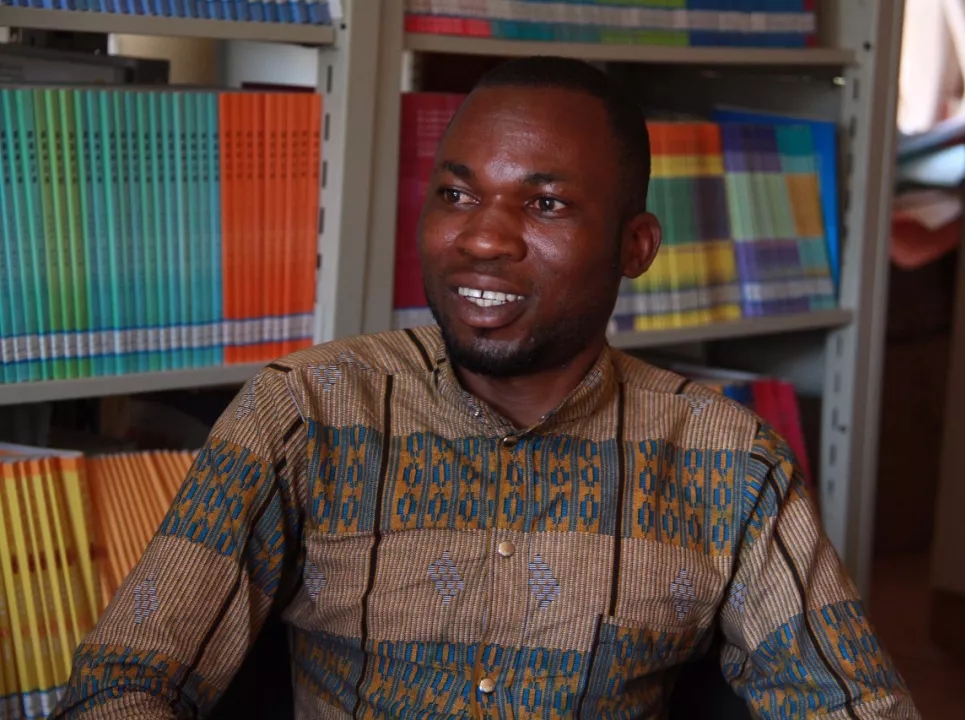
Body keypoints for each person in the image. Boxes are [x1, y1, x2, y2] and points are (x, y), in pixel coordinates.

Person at [52, 55, 918, 719]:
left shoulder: (727, 460)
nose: (482, 240)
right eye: (458, 195)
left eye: (545, 205)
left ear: (636, 247)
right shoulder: (306, 411)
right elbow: (124, 683)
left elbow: (853, 703)